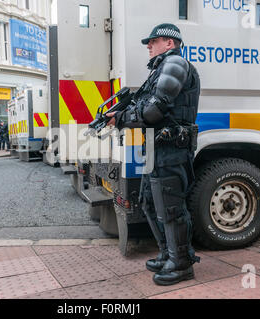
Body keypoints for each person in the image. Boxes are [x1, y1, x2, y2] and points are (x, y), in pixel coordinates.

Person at [107, 23, 201, 286]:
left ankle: (181, 263)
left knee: (171, 208)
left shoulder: (175, 64)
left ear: (170, 43)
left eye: (154, 40)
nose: (148, 45)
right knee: (149, 202)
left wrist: (123, 118)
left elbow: (153, 112)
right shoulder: (159, 70)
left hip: (171, 149)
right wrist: (121, 113)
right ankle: (168, 254)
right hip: (157, 148)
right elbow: (144, 105)